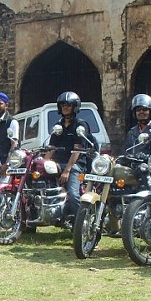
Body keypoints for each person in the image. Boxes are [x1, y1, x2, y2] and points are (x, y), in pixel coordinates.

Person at [44, 91, 96, 220]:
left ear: (75, 107)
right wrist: (42, 163)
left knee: (73, 195)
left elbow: (77, 150)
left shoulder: (81, 125)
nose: (65, 107)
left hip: (75, 165)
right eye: (62, 105)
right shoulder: (58, 126)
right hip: (58, 163)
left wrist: (67, 170)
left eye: (68, 105)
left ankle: (80, 224)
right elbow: (52, 148)